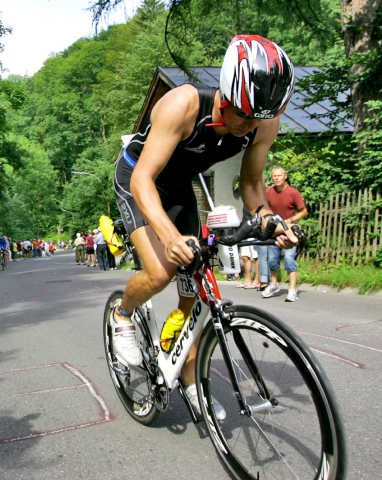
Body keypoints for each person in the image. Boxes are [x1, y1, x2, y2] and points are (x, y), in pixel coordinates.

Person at [111, 35, 298, 417]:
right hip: (138, 178)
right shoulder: (184, 105)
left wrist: (267, 219)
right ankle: (123, 315)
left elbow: (250, 185)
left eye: (258, 121)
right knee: (162, 270)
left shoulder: (263, 122)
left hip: (179, 187)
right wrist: (169, 237)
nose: (249, 129)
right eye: (243, 117)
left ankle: (189, 376)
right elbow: (143, 180)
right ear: (226, 96)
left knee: (197, 290)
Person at [261, 166, 308, 302]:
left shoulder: (293, 193)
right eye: (274, 176)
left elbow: (304, 211)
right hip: (274, 232)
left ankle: (292, 290)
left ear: (285, 176)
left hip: (289, 232)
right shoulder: (268, 192)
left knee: (289, 260)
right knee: (272, 261)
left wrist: (290, 220)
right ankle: (274, 285)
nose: (276, 178)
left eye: (279, 176)